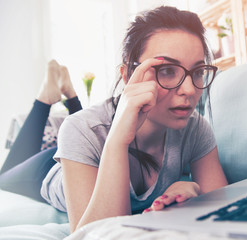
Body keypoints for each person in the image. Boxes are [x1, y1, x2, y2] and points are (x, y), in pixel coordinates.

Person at [40, 5, 228, 233]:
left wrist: (192, 189)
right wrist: (118, 138)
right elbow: (96, 235)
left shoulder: (195, 127)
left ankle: (70, 94)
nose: (189, 90)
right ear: (129, 75)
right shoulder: (81, 129)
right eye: (167, 70)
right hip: (43, 170)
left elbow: (225, 211)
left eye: (197, 72)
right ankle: (47, 97)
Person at [0, 60, 82, 202]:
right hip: (72, 159)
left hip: (66, 163)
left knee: (2, 182)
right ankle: (48, 99)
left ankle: (66, 96)